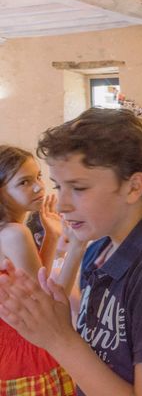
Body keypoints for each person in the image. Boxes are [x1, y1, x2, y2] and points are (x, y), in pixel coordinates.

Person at [0, 109, 142, 396]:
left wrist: (59, 340)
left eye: (78, 188)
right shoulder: (101, 246)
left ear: (133, 186)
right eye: (59, 186)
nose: (61, 204)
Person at [0, 145, 82, 395]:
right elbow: (49, 303)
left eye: (37, 176)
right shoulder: (15, 233)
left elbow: (34, 281)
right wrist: (77, 247)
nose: (39, 186)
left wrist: (52, 237)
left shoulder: (9, 229)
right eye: (24, 182)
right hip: (24, 350)